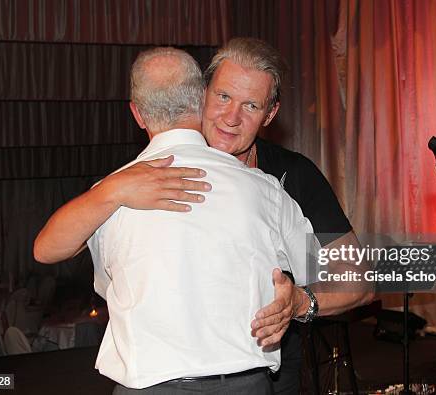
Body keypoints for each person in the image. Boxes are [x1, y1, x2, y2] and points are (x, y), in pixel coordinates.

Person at [34, 38, 373, 393]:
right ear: (201, 95)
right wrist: (111, 191)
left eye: (251, 105)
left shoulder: (290, 177)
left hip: (265, 373)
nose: (231, 117)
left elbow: (356, 279)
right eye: (223, 97)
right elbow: (49, 248)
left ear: (270, 114)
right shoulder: (133, 181)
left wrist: (303, 302)